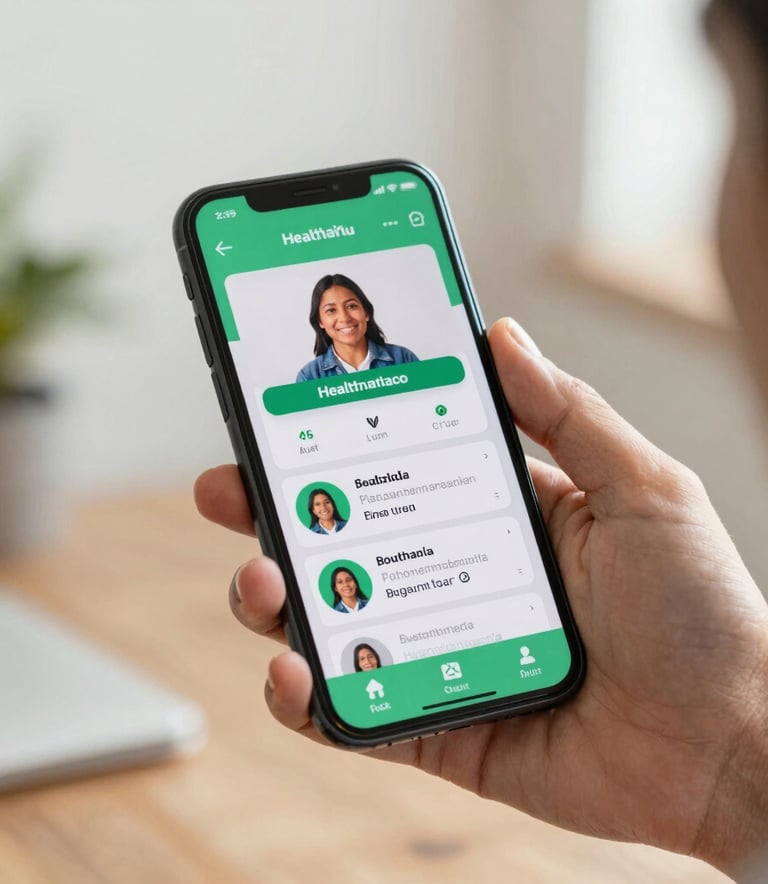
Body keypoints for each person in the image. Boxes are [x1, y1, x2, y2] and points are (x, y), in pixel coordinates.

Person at [193, 1, 768, 878]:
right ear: (316, 323)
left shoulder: (409, 359)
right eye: (328, 308)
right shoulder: (307, 388)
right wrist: (730, 759)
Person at [295, 273, 418, 381]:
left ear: (366, 313)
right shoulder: (310, 376)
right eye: (331, 310)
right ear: (320, 321)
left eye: (351, 306)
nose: (344, 318)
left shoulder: (403, 359)